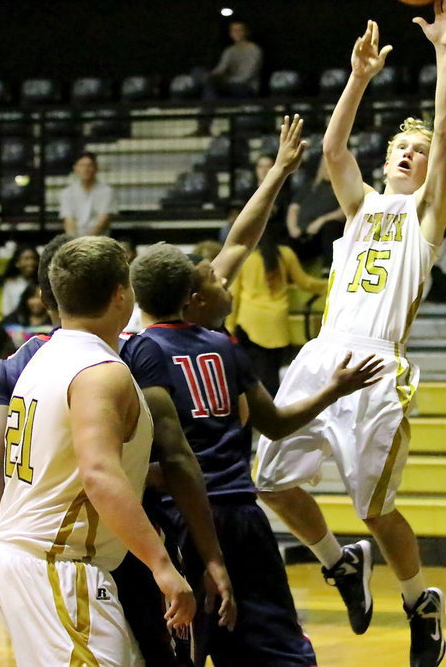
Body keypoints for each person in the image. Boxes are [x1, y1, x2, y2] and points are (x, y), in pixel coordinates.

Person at [254, 0, 446, 667]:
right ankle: (339, 564)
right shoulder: (362, 207)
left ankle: (417, 601)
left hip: (377, 368)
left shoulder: (425, 218)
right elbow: (333, 146)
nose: (408, 153)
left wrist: (443, 52)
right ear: (386, 162)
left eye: (418, 150)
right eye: (401, 147)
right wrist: (358, 78)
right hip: (321, 358)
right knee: (272, 482)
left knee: (377, 510)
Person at [0, 233, 230, 667]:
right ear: (121, 296)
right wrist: (163, 566)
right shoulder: (100, 371)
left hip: (27, 557)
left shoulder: (38, 359)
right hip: (58, 564)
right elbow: (99, 473)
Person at [123, 242, 381, 667]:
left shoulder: (137, 352)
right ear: (193, 298)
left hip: (184, 516)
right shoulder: (224, 345)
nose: (225, 283)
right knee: (274, 646)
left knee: (185, 647)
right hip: (243, 513)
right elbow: (275, 424)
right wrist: (333, 389)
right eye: (214, 279)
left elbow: (167, 453)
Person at [226, 223, 328, 395]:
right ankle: (273, 412)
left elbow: (234, 293)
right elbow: (306, 282)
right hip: (277, 322)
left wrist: (229, 326)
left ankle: (256, 415)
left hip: (250, 321)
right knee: (272, 373)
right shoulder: (285, 254)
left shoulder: (244, 257)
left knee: (252, 374)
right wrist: (332, 284)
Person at [285, 157, 346, 273]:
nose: (327, 167)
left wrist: (322, 220)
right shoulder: (309, 186)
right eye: (325, 164)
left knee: (330, 227)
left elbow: (344, 211)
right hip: (301, 233)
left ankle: (327, 270)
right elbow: (293, 209)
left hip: (324, 232)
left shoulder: (343, 186)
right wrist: (293, 228)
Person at [0, 282, 52, 361]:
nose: (36, 302)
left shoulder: (53, 321)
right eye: (32, 297)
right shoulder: (14, 319)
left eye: (39, 297)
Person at [59, 152, 118, 237]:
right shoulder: (67, 193)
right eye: (82, 165)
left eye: (89, 165)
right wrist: (74, 244)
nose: (86, 169)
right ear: (75, 168)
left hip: (99, 241)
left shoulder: (107, 192)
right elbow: (69, 222)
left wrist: (87, 243)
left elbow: (102, 222)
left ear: (96, 168)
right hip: (75, 242)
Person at [0, 244, 40, 316]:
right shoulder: (10, 284)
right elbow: (6, 310)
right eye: (26, 259)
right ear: (17, 263)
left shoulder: (43, 283)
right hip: (15, 323)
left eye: (34, 259)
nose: (31, 262)